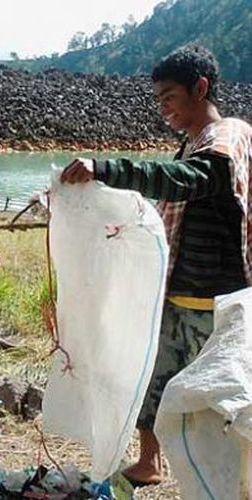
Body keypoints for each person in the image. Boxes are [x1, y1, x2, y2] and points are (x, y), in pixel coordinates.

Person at [61, 44, 252, 486]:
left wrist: (107, 169)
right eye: (159, 99)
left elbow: (188, 182)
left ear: (200, 88)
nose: (162, 108)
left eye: (168, 96)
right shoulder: (191, 145)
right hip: (174, 292)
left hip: (215, 303)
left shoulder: (228, 137)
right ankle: (151, 462)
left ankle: (221, 477)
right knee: (157, 379)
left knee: (215, 399)